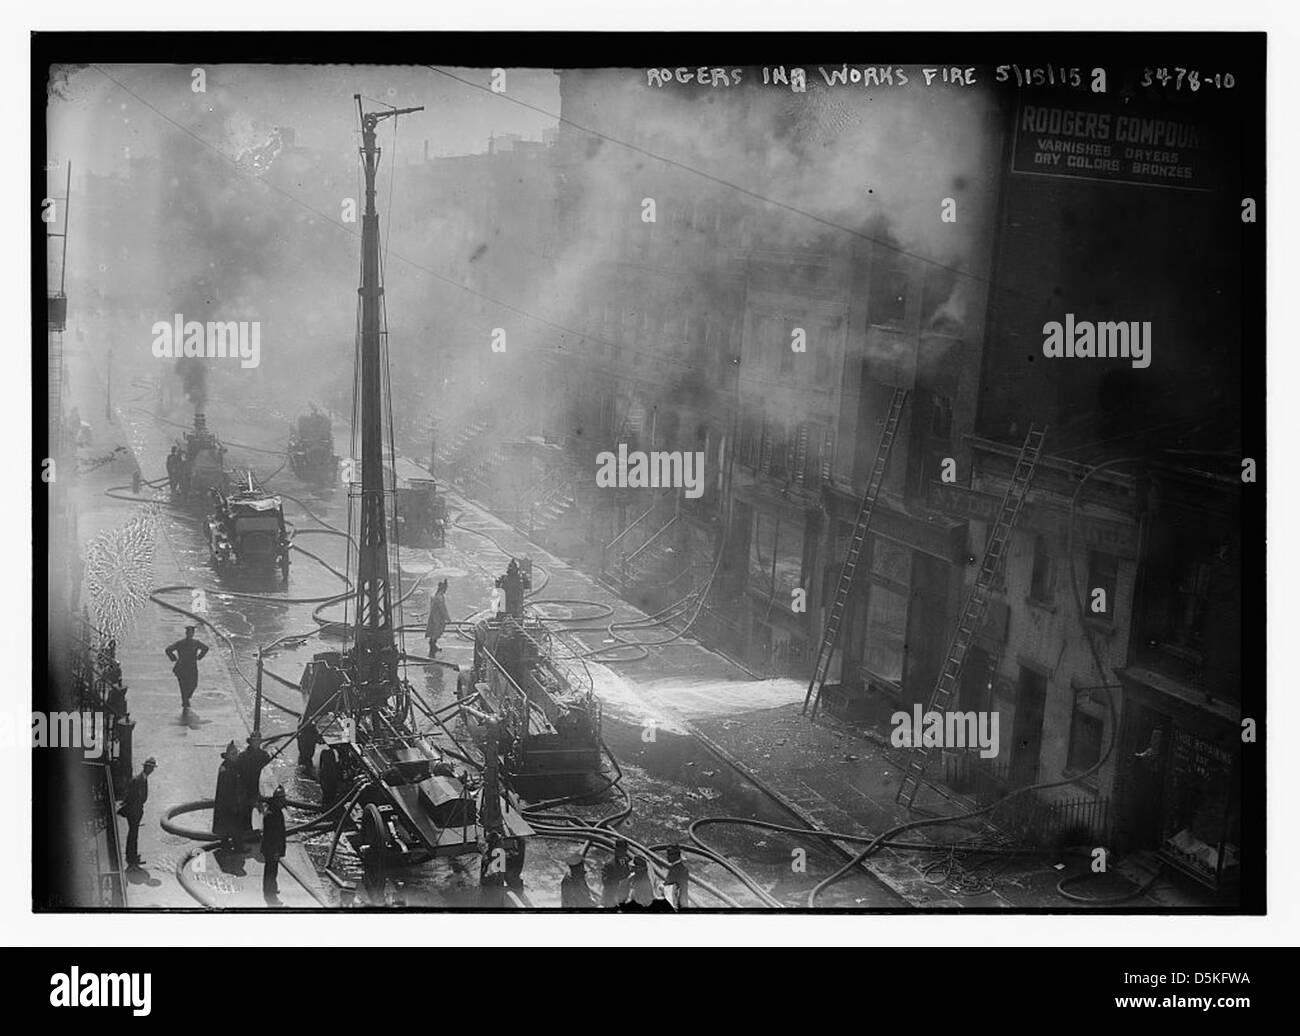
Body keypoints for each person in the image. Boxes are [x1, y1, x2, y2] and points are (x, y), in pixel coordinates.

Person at [118, 757, 156, 869]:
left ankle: (133, 856)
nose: (152, 770)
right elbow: (131, 796)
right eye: (151, 768)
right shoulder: (138, 780)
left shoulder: (142, 778)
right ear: (146, 768)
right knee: (133, 834)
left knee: (134, 834)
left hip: (137, 810)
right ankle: (131, 858)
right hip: (134, 811)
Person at [165, 626, 209, 710]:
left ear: (193, 634)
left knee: (193, 684)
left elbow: (206, 648)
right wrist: (174, 658)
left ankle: (187, 697)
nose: (190, 635)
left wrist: (199, 657)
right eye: (188, 633)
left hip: (192, 667)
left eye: (191, 633)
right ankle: (185, 701)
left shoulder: (196, 643)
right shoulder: (180, 643)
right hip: (181, 667)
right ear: (186, 634)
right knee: (183, 685)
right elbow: (168, 650)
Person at [236, 732, 271, 831]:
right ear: (250, 741)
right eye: (254, 740)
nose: (255, 742)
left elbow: (267, 773)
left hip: (258, 787)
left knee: (259, 810)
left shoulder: (264, 755)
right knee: (245, 811)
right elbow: (238, 772)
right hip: (246, 787)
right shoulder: (243, 756)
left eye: (257, 740)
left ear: (260, 742)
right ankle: (245, 831)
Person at [212, 741, 244, 851]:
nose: (236, 756)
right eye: (233, 754)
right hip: (227, 804)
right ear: (228, 756)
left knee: (234, 826)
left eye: (236, 753)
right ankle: (231, 847)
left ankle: (233, 845)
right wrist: (233, 805)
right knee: (230, 826)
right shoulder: (225, 769)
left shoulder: (234, 765)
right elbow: (225, 791)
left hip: (232, 803)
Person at [261, 786, 287, 905]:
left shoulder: (274, 811)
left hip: (271, 848)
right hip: (272, 848)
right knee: (271, 871)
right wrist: (276, 851)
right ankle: (270, 895)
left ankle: (271, 889)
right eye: (282, 799)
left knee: (272, 870)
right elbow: (273, 835)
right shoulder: (273, 814)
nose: (284, 802)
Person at [600, 838, 632, 908]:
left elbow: (627, 874)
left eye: (624, 851)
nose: (622, 853)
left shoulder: (626, 861)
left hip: (623, 894)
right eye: (619, 851)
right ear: (616, 851)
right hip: (611, 896)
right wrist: (618, 882)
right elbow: (605, 881)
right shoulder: (609, 864)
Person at [425, 579, 450, 657]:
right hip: (438, 618)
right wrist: (447, 618)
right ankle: (432, 647)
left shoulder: (436, 595)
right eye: (445, 589)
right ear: (443, 589)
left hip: (434, 616)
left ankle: (433, 646)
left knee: (434, 631)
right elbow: (443, 609)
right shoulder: (439, 597)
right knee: (437, 631)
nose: (446, 590)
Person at [662, 845, 691, 909]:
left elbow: (681, 892)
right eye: (667, 854)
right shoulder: (675, 867)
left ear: (677, 855)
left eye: (670, 854)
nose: (667, 857)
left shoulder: (679, 870)